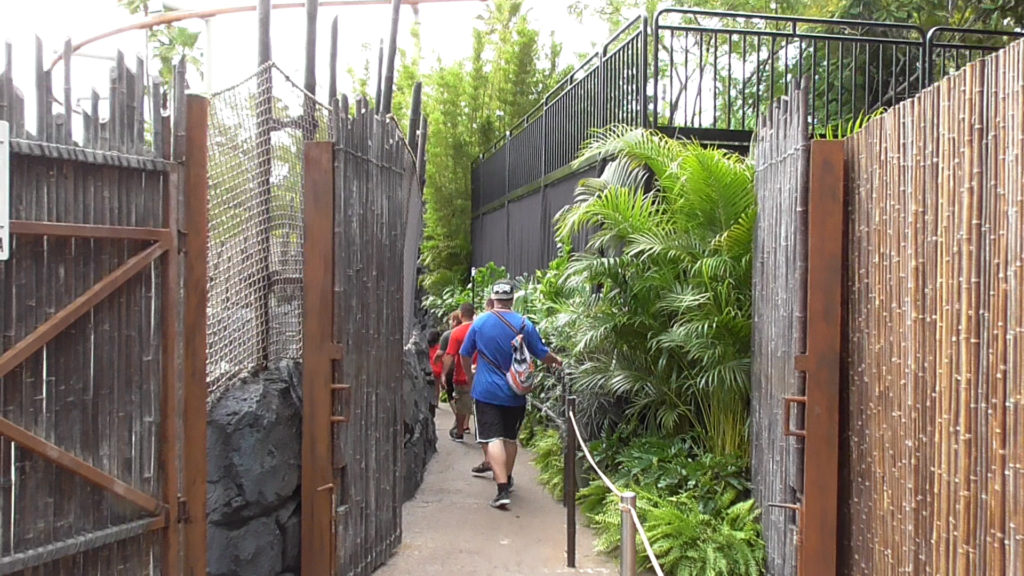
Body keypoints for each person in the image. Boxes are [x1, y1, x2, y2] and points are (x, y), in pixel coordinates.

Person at [461, 279, 562, 508]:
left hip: (486, 390)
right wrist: (557, 361)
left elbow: (465, 353)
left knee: (491, 437)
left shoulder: (479, 323)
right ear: (512, 299)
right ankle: (507, 478)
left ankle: (502, 488)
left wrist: (469, 376)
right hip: (516, 391)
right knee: (509, 438)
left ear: (493, 298)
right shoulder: (525, 324)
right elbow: (542, 353)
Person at [443, 303, 476, 441]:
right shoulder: (480, 329)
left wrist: (444, 374)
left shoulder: (456, 332)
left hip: (462, 375)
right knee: (480, 404)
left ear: (461, 315)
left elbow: (450, 355)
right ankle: (482, 434)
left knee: (461, 404)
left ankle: (460, 431)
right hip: (481, 374)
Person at [426, 329, 442, 414]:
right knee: (437, 386)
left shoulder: (427, 347)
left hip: (429, 369)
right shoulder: (439, 347)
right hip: (438, 369)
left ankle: (429, 400)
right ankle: (436, 402)